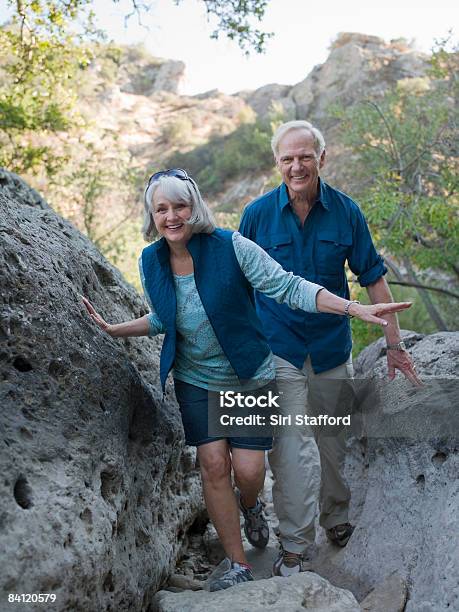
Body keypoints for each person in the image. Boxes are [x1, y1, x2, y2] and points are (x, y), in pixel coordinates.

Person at [83, 168, 412, 590]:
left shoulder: (230, 246)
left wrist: (353, 308)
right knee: (213, 464)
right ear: (151, 214)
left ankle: (252, 506)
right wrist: (115, 329)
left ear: (194, 207)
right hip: (195, 379)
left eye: (179, 205)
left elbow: (288, 286)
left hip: (247, 376)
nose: (171, 216)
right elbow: (165, 318)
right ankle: (238, 564)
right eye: (161, 208)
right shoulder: (151, 260)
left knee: (250, 470)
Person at [239, 120, 422, 577]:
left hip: (329, 345)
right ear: (277, 163)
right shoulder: (257, 215)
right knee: (290, 445)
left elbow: (373, 277)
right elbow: (238, 285)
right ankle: (296, 544)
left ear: (322, 158)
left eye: (305, 156)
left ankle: (336, 516)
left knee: (331, 439)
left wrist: (394, 345)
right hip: (276, 344)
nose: (296, 165)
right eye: (287, 158)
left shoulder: (346, 213)